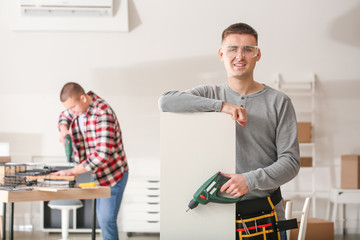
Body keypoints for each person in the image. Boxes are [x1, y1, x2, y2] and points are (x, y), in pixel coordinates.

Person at [158, 23, 300, 240]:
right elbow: (166, 101)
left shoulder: (279, 102)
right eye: (232, 49)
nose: (239, 56)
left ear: (257, 54)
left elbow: (290, 163)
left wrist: (249, 180)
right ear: (221, 54)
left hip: (264, 213)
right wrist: (222, 106)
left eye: (247, 49)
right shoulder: (209, 94)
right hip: (214, 212)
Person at [52, 82, 129, 240]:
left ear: (82, 98)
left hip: (113, 174)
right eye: (69, 108)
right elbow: (64, 116)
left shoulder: (102, 113)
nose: (71, 112)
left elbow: (102, 155)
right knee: (101, 218)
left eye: (73, 107)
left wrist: (72, 171)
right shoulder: (78, 108)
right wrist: (64, 129)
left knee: (106, 220)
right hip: (97, 174)